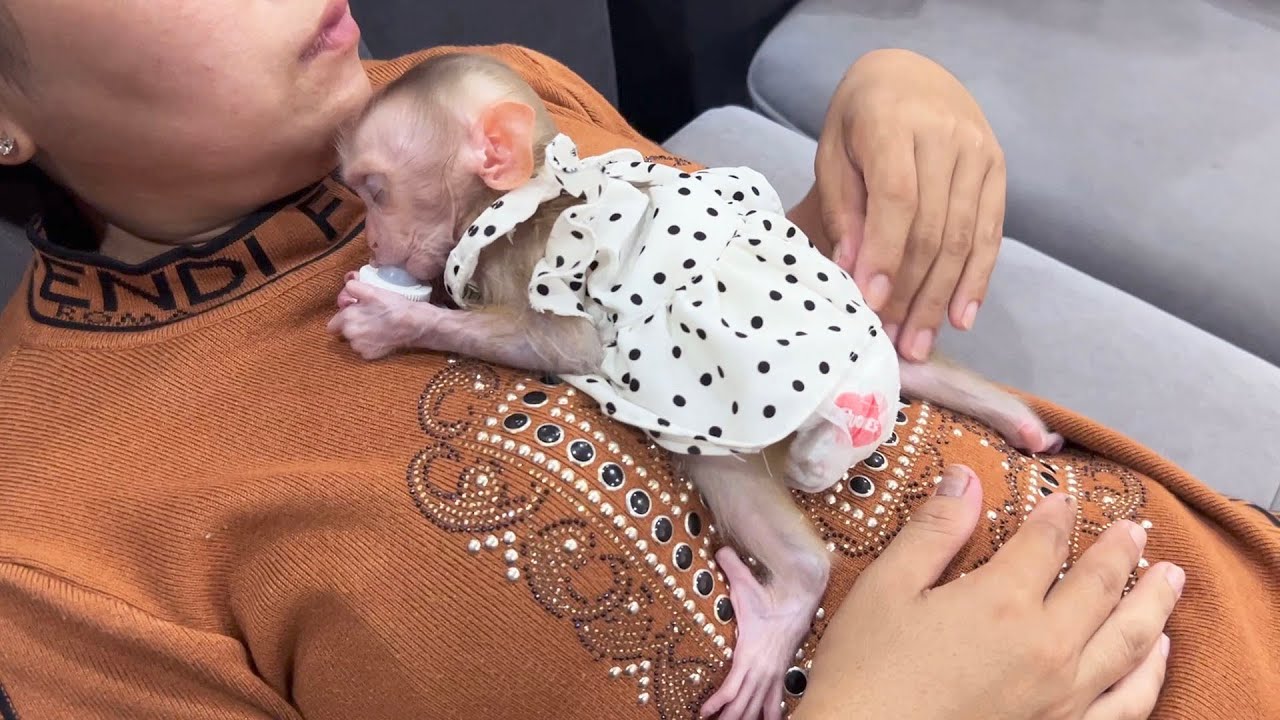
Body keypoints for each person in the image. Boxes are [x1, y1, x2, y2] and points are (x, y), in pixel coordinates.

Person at [0, 2, 1275, 719]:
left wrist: (885, 121)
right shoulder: (54, 543)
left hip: (1213, 579)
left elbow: (716, 332)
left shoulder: (485, 96)